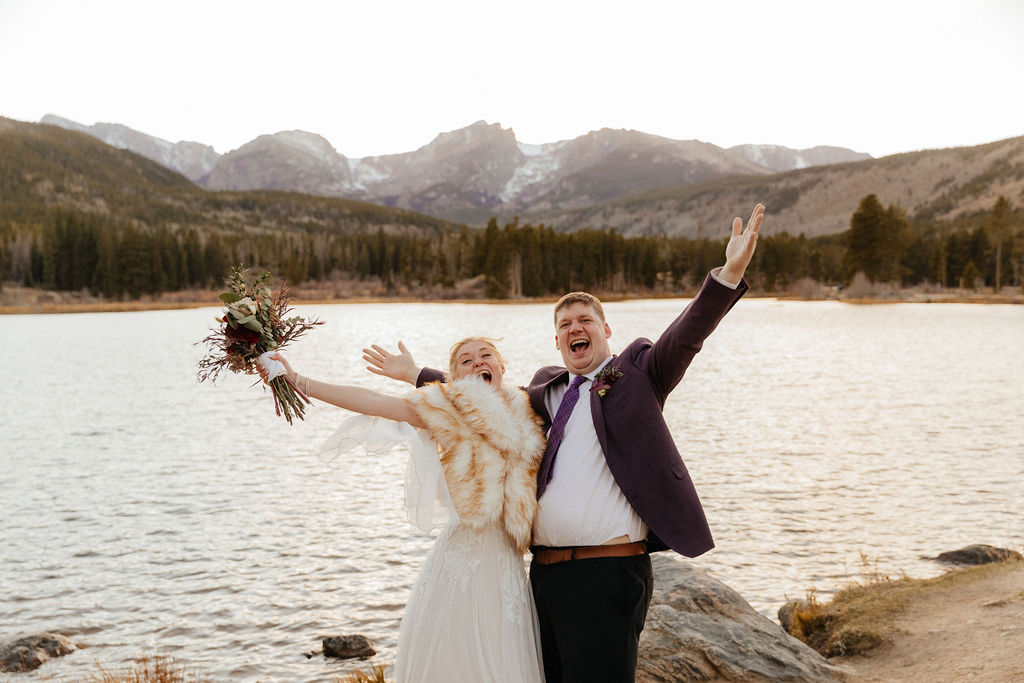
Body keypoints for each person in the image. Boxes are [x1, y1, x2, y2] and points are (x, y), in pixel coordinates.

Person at [363, 203, 765, 683]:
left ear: (605, 330)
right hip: (544, 578)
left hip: (608, 575)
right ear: (557, 343)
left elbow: (686, 335)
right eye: (566, 325)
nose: (576, 328)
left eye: (585, 320)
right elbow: (481, 399)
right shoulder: (544, 393)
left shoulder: (639, 373)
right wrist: (416, 375)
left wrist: (728, 275)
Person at [258, 338, 547, 683]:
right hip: (464, 557)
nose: (478, 363)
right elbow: (374, 402)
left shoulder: (527, 414)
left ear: (502, 366)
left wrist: (411, 371)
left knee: (506, 657)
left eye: (486, 356)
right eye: (465, 361)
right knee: (460, 658)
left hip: (509, 563)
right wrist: (299, 380)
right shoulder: (446, 409)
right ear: (452, 377)